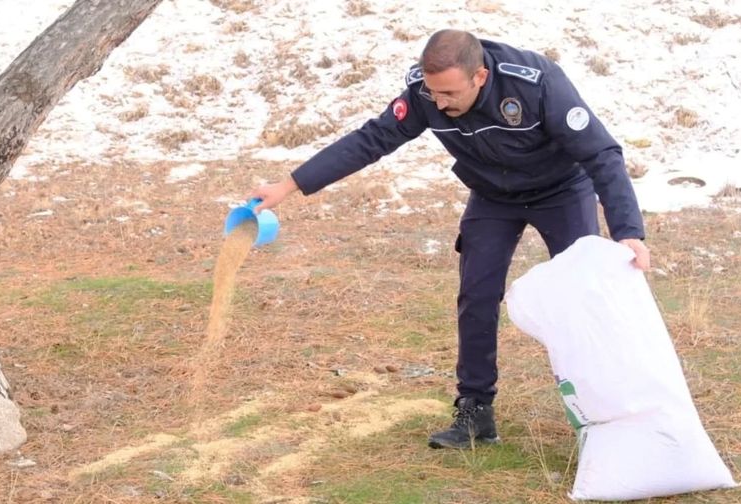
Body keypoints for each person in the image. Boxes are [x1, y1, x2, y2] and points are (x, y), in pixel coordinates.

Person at [250, 29, 650, 449]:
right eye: (432, 92)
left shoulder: (537, 83)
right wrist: (289, 185)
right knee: (476, 294)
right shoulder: (426, 93)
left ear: (480, 76)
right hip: (493, 194)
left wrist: (628, 232)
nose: (438, 103)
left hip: (561, 190)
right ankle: (475, 410)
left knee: (581, 296)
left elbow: (601, 154)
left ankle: (604, 413)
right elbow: (371, 140)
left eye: (449, 93)